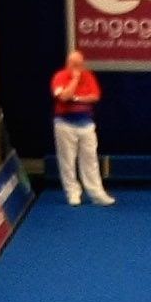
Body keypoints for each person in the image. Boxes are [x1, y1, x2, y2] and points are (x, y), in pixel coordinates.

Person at [49, 46, 111, 208]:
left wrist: (76, 99)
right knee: (67, 160)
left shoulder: (89, 76)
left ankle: (97, 193)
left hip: (86, 124)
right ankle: (73, 193)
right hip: (64, 124)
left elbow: (95, 96)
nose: (78, 67)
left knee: (90, 159)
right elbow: (64, 97)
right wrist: (75, 80)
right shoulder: (60, 77)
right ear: (68, 64)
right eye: (74, 64)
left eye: (80, 64)